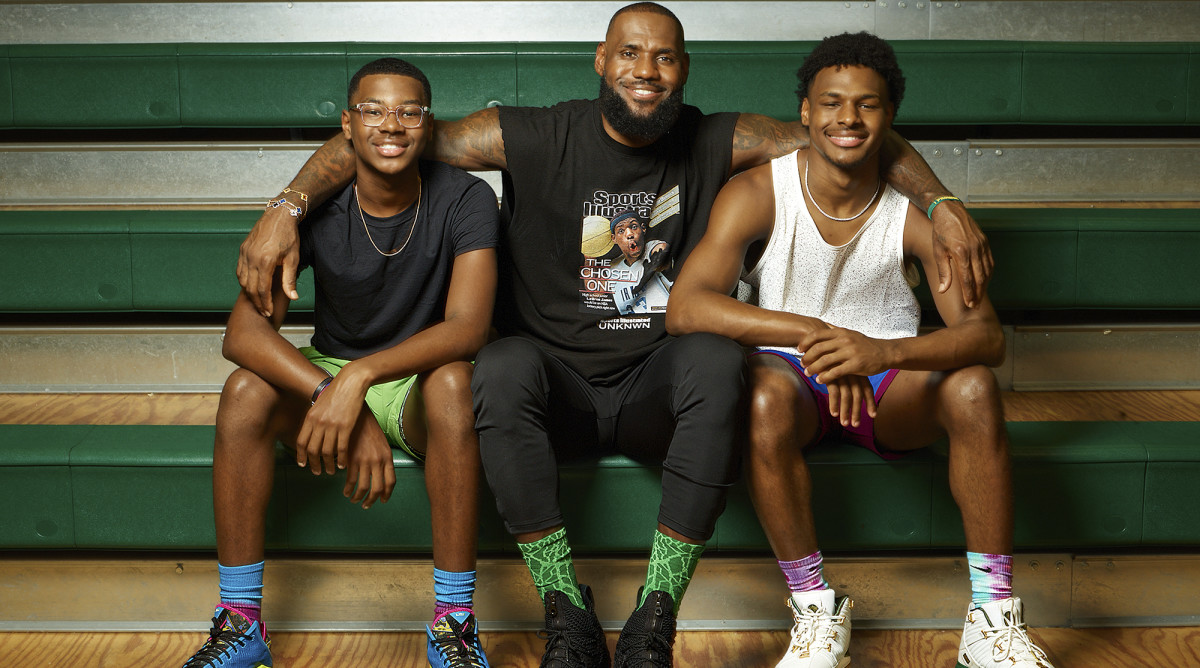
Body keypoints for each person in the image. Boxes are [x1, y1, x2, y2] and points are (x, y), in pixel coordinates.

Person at [231, 4, 996, 666]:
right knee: (495, 366)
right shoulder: (529, 134)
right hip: (553, 386)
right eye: (629, 52)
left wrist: (942, 202)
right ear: (601, 61)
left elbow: (853, 134)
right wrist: (288, 205)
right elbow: (391, 137)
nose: (646, 70)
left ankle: (656, 611)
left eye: (664, 56)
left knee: (710, 357)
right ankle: (564, 605)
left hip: (653, 386)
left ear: (685, 69)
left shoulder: (717, 139)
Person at [666, 32, 1055, 668]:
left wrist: (882, 353)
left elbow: (986, 339)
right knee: (759, 395)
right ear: (805, 112)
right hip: (788, 377)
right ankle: (815, 609)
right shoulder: (760, 191)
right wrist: (816, 338)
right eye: (831, 103)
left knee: (974, 387)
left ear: (890, 117)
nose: (847, 118)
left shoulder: (916, 215)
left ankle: (992, 615)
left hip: (884, 380)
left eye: (867, 105)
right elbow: (687, 307)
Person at [181, 58, 499, 668]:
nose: (392, 125)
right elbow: (242, 334)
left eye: (409, 111)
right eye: (374, 110)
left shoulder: (466, 198)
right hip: (330, 367)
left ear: (428, 127)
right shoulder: (316, 208)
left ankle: (454, 623)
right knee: (244, 391)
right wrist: (336, 393)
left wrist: (358, 381)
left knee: (458, 382)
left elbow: (467, 328)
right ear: (348, 126)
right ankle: (241, 624)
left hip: (415, 377)